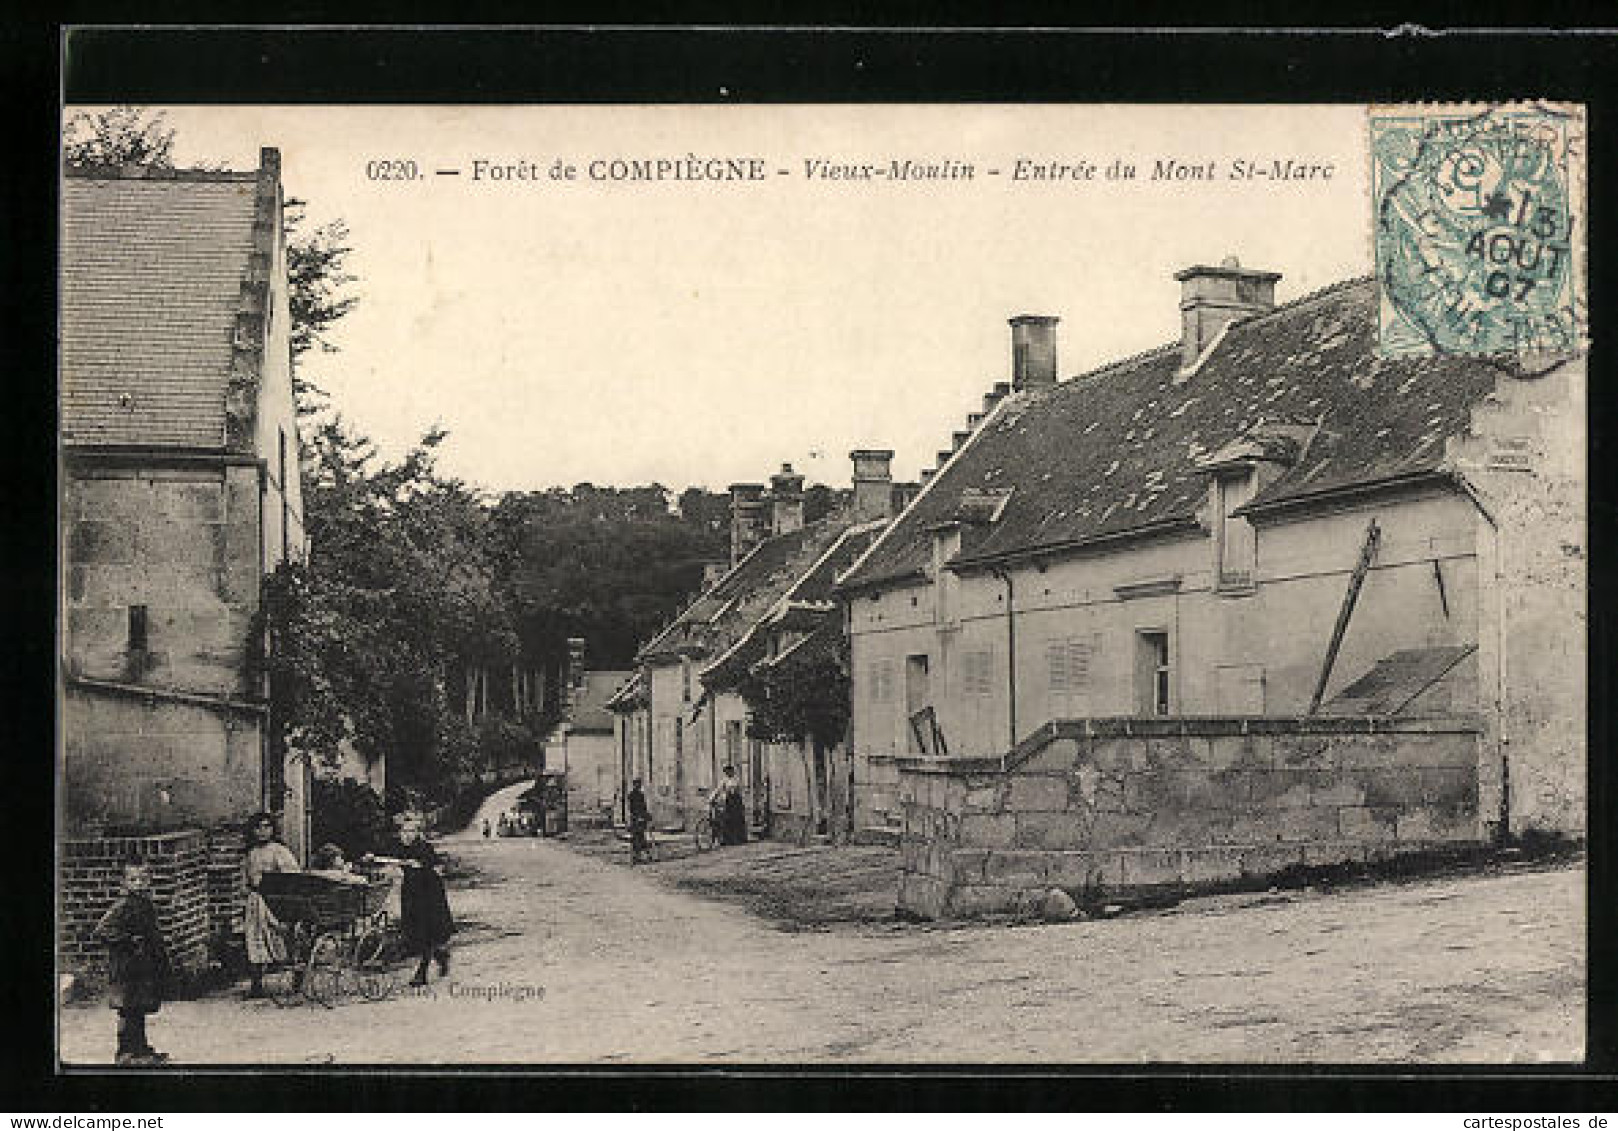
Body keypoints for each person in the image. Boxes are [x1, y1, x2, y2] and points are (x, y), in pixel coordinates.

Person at [94, 864, 171, 1066]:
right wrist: (127, 941)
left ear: (149, 880)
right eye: (133, 880)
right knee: (128, 1009)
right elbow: (103, 930)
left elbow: (153, 933)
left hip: (143, 966)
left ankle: (141, 1049)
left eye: (142, 879)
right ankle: (125, 1052)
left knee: (139, 1007)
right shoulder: (122, 905)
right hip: (126, 968)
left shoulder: (145, 904)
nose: (138, 884)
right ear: (124, 882)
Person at [388, 814, 455, 987]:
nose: (407, 835)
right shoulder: (400, 847)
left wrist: (421, 865)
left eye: (411, 831)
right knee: (413, 931)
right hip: (411, 893)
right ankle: (440, 955)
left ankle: (422, 972)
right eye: (404, 831)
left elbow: (435, 865)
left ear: (417, 833)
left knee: (426, 930)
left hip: (428, 893)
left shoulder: (424, 847)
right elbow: (391, 859)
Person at [241, 811, 299, 999]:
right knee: (253, 939)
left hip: (274, 900)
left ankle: (296, 977)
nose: (263, 831)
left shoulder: (279, 851)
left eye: (267, 827)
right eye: (258, 828)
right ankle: (256, 984)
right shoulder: (250, 853)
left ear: (273, 829)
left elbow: (291, 876)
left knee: (280, 937)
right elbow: (247, 877)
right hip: (255, 900)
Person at [712, 765, 748, 846]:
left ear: (733, 772)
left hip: (737, 801)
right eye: (727, 772)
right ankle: (728, 840)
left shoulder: (737, 780)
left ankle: (739, 839)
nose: (728, 773)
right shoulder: (724, 781)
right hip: (729, 802)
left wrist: (743, 802)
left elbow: (741, 791)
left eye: (730, 771)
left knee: (738, 819)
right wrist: (712, 798)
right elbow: (718, 790)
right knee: (728, 820)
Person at [627, 777, 652, 863]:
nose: (639, 786)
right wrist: (638, 816)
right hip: (635, 819)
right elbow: (632, 809)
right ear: (634, 785)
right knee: (636, 838)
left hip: (640, 819)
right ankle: (637, 856)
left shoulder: (641, 795)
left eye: (639, 784)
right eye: (637, 784)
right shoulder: (631, 796)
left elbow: (643, 807)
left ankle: (640, 856)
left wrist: (647, 815)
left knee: (640, 837)